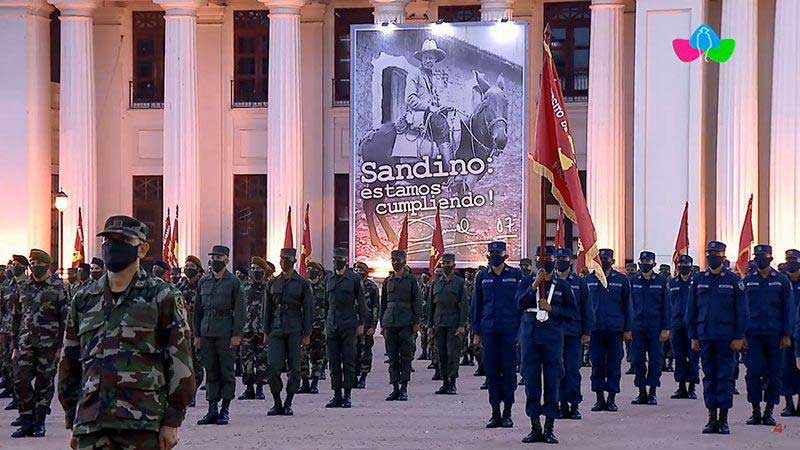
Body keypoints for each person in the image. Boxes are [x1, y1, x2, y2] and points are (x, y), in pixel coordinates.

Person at [58, 215, 194, 449]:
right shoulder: (83, 299)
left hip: (141, 421)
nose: (113, 246)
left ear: (142, 249)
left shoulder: (162, 296)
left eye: (122, 240)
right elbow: (69, 361)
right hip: (92, 421)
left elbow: (180, 361)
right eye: (108, 240)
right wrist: (73, 418)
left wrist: (172, 421)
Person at [686, 240, 748, 435]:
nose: (712, 256)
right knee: (709, 377)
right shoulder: (699, 279)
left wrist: (739, 336)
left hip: (727, 339)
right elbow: (692, 310)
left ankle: (724, 419)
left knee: (725, 377)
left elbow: (742, 311)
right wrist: (693, 336)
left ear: (723, 256)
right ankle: (711, 418)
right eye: (709, 253)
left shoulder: (733, 280)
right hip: (705, 336)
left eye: (716, 254)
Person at [516, 246, 577, 444]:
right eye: (542, 258)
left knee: (552, 381)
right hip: (531, 336)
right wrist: (534, 285)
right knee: (531, 381)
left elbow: (572, 312)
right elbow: (519, 304)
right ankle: (535, 427)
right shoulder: (526, 281)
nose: (546, 261)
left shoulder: (562, 285)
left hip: (552, 336)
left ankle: (550, 427)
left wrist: (553, 308)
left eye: (549, 258)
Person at [9, 249, 67, 438]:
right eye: (32, 263)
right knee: (20, 381)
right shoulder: (24, 287)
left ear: (47, 265)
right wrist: (15, 345)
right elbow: (16, 317)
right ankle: (26, 420)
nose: (34, 266)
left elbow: (65, 320)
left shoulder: (58, 288)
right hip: (25, 344)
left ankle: (39, 422)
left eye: (37, 263)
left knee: (45, 384)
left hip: (48, 346)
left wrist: (60, 348)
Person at [471, 241, 524, 427]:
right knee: (492, 373)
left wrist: (521, 333)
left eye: (498, 252)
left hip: (510, 332)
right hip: (489, 331)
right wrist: (476, 332)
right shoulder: (482, 276)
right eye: (492, 252)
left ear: (505, 255)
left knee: (509, 373)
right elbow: (476, 306)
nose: (494, 255)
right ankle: (495, 412)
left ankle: (507, 412)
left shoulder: (516, 275)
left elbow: (522, 305)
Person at [741, 244, 794, 426]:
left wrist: (787, 334)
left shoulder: (781, 280)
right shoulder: (747, 280)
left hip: (775, 335)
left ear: (770, 258)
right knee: (753, 373)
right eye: (758, 256)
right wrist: (742, 335)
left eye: (764, 256)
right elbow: (742, 309)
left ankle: (769, 411)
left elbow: (788, 309)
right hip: (753, 335)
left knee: (774, 373)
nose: (760, 259)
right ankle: (755, 411)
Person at [194, 245, 245, 426]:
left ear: (227, 260)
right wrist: (197, 335)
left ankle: (225, 409)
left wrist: (237, 334)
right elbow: (197, 311)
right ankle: (212, 409)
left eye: (219, 257)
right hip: (207, 330)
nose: (215, 259)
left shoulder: (234, 282)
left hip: (225, 331)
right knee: (211, 371)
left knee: (227, 372)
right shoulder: (204, 281)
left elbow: (239, 310)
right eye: (213, 256)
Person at [263, 248, 314, 416]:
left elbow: (308, 310)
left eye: (286, 258)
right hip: (276, 329)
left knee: (295, 368)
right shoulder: (272, 282)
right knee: (272, 367)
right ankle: (277, 402)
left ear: (293, 261)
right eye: (281, 258)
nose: (283, 261)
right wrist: (266, 331)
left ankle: (288, 402)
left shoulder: (302, 284)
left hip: (295, 329)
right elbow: (267, 308)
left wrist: (306, 333)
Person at [587, 249, 632, 412]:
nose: (603, 261)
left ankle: (611, 398)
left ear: (612, 261)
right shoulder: (589, 279)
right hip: (595, 328)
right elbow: (585, 306)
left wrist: (627, 329)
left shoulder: (621, 280)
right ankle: (599, 399)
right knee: (597, 363)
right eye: (601, 258)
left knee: (614, 364)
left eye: (606, 259)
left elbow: (627, 305)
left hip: (615, 329)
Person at [323, 248, 367, 408]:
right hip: (332, 324)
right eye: (335, 259)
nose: (337, 261)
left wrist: (361, 322)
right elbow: (326, 303)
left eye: (340, 259)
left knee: (348, 361)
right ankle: (336, 394)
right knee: (333, 361)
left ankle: (347, 395)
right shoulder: (329, 278)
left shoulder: (354, 279)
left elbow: (361, 302)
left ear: (346, 261)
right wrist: (325, 324)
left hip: (348, 324)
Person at [554, 247, 594, 419]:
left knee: (572, 370)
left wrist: (586, 332)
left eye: (564, 258)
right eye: (558, 258)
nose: (561, 261)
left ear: (570, 260)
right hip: (554, 333)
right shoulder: (550, 281)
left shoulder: (579, 282)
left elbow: (587, 309)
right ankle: (561, 404)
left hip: (573, 333)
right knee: (557, 370)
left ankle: (574, 404)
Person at [629, 251, 670, 406]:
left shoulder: (661, 281)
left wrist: (666, 328)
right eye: (643, 261)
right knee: (637, 360)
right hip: (637, 327)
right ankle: (641, 392)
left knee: (655, 360)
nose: (645, 263)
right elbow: (628, 305)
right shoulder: (633, 281)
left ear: (654, 264)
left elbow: (666, 306)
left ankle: (652, 391)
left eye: (648, 261)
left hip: (656, 328)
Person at [381, 250, 423, 401]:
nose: (395, 262)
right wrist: (382, 323)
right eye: (393, 260)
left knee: (405, 356)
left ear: (404, 262)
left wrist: (416, 322)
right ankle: (395, 388)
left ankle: (404, 388)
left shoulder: (411, 280)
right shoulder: (388, 281)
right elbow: (383, 304)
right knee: (392, 357)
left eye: (398, 260)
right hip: (390, 322)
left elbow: (417, 302)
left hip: (406, 322)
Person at [428, 253, 468, 395]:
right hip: (439, 323)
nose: (446, 265)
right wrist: (430, 325)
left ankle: (452, 383)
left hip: (453, 324)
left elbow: (463, 305)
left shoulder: (459, 283)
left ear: (454, 265)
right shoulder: (436, 283)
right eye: (444, 263)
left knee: (453, 354)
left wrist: (462, 325)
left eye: (448, 263)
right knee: (442, 354)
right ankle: (444, 382)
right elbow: (431, 306)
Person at [238, 257, 270, 401]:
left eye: (258, 269)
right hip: (246, 329)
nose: (255, 272)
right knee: (246, 359)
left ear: (264, 271)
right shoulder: (243, 287)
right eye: (253, 269)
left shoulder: (269, 287)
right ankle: (248, 387)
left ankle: (260, 388)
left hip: (263, 330)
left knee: (262, 360)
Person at [668, 255, 700, 400]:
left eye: (686, 263)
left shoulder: (697, 282)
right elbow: (668, 305)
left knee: (693, 357)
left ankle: (692, 387)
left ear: (691, 265)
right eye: (680, 263)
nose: (683, 266)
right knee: (679, 356)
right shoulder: (672, 282)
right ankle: (681, 386)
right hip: (676, 325)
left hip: (693, 325)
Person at [177, 255, 204, 406]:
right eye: (186, 266)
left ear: (198, 270)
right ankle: (186, 393)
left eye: (192, 267)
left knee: (197, 366)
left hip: (198, 331)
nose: (188, 269)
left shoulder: (203, 286)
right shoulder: (180, 287)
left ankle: (193, 392)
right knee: (184, 365)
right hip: (182, 331)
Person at [299, 261, 327, 394]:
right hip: (304, 327)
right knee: (302, 356)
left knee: (318, 356)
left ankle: (315, 382)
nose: (310, 271)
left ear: (319, 273)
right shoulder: (302, 287)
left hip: (320, 327)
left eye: (313, 269)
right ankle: (304, 382)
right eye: (308, 268)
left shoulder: (325, 288)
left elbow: (329, 307)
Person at [781, 249, 800, 416]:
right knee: (785, 369)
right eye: (789, 260)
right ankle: (788, 404)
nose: (791, 262)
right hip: (785, 333)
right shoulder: (782, 282)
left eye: (794, 260)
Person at [354, 261, 380, 389]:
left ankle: (363, 376)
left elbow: (376, 307)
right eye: (355, 270)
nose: (357, 273)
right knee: (352, 351)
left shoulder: (372, 287)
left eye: (360, 271)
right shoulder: (350, 284)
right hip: (352, 323)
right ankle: (353, 375)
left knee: (365, 351)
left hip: (366, 323)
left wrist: (373, 326)